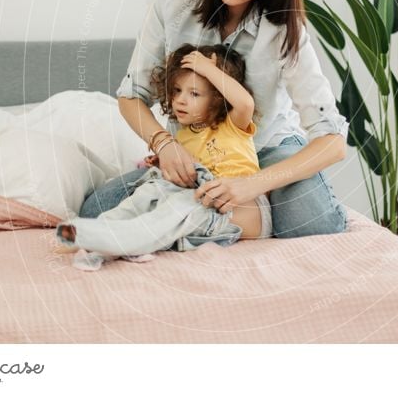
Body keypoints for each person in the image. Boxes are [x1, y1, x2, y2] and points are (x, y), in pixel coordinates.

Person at [79, 0, 349, 238]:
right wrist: (164, 145)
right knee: (94, 212)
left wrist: (251, 184)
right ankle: (247, 212)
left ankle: (258, 202)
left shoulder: (283, 28)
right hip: (197, 151)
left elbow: (333, 141)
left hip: (268, 148)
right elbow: (132, 95)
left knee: (313, 224)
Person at [56, 44, 272, 270]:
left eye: (194, 93)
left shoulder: (233, 124)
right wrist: (162, 163)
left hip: (242, 210)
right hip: (203, 201)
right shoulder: (183, 135)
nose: (180, 100)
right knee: (150, 191)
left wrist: (208, 70)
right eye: (177, 90)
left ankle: (120, 239)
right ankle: (99, 238)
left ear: (219, 98)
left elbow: (245, 102)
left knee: (178, 204)